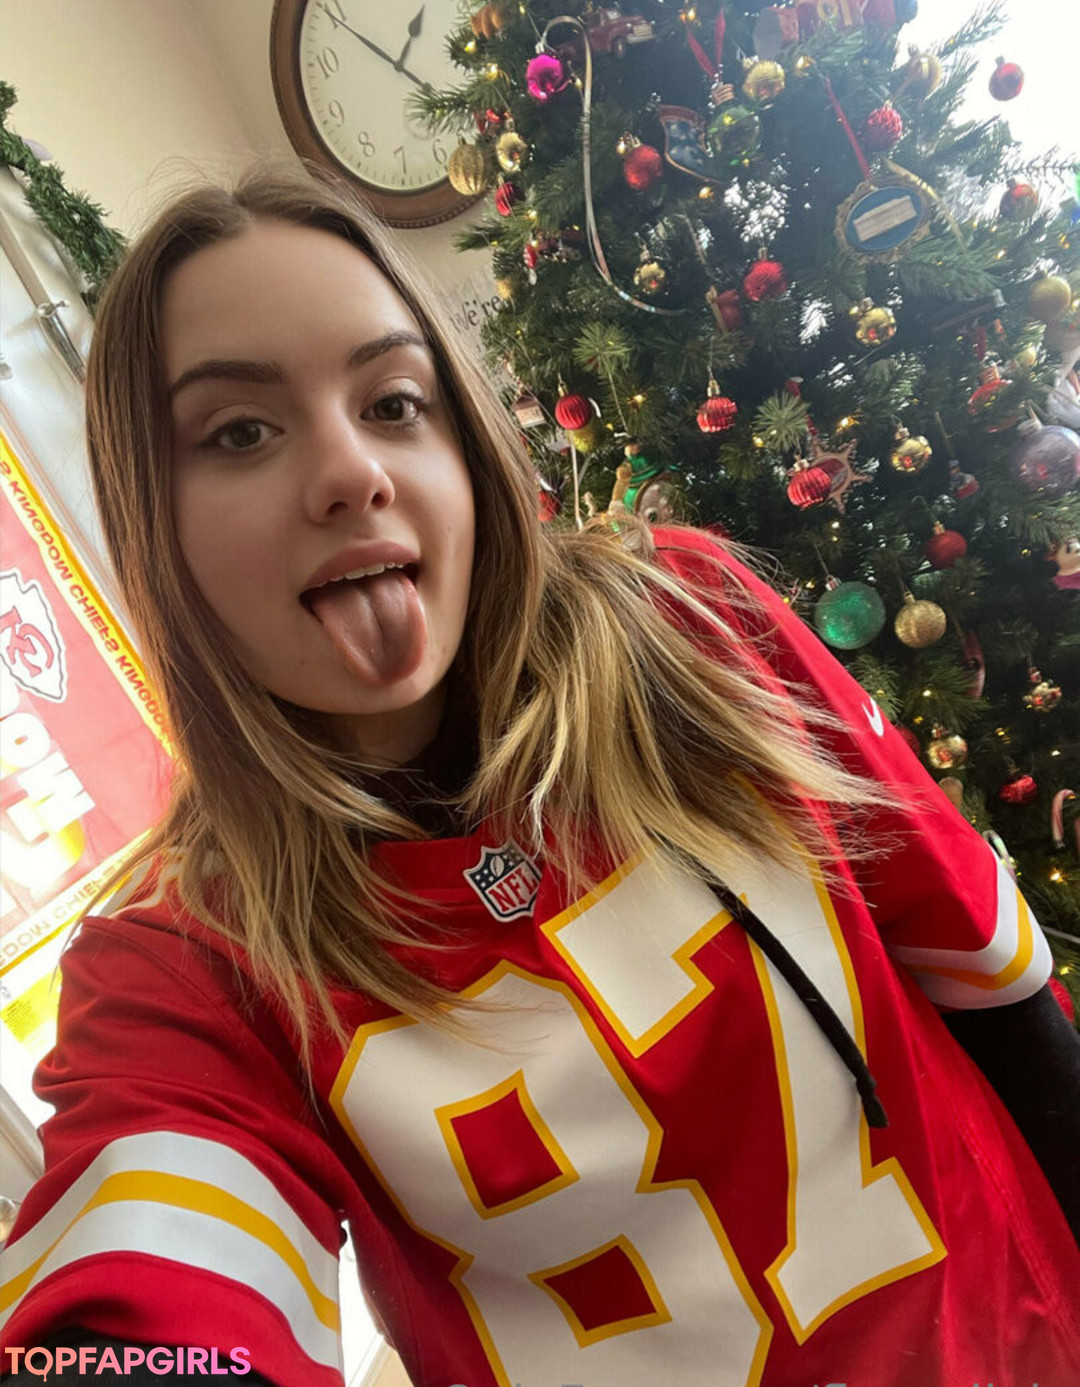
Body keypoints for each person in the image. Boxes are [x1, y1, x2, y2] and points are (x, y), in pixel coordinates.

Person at [1, 166, 1078, 1387]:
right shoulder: (184, 970)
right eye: (240, 432)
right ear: (155, 525)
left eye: (394, 402)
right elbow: (142, 1290)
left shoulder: (696, 624)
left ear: (463, 442)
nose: (352, 473)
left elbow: (996, 991)